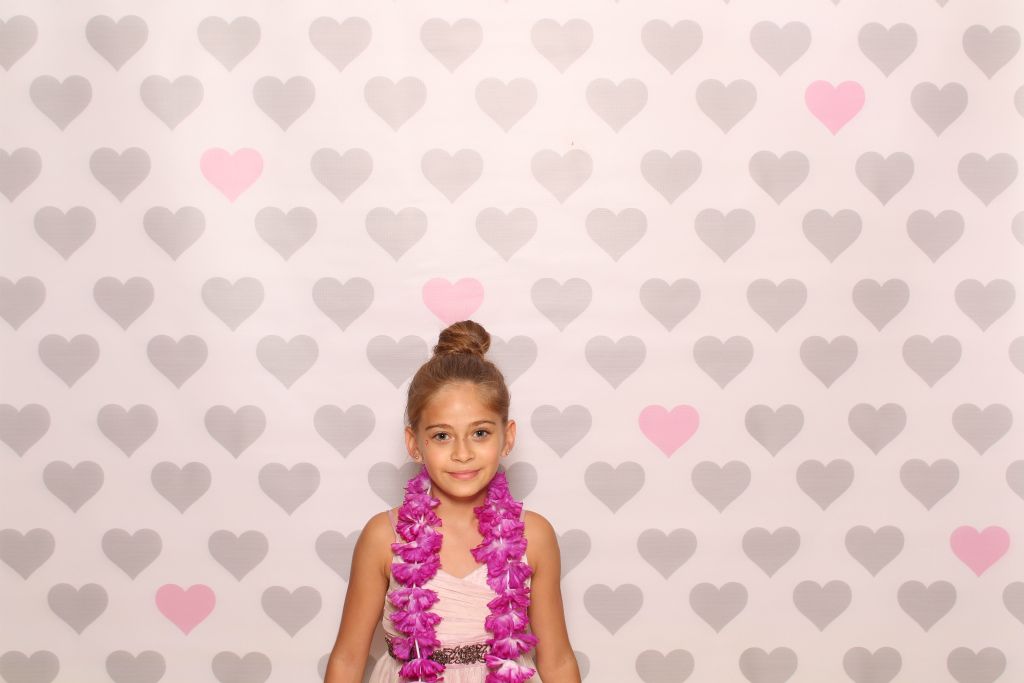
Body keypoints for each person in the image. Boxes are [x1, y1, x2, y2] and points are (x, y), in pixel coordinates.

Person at [324, 320, 582, 683]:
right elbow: (348, 659)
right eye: (442, 436)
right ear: (414, 444)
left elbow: (557, 660)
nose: (463, 453)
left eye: (480, 433)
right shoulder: (384, 537)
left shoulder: (533, 536)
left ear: (507, 438)